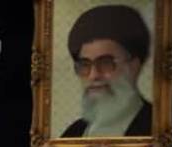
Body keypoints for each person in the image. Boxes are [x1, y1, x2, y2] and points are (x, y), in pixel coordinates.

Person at [61, 5, 152, 138]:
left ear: (134, 65)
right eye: (85, 65)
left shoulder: (159, 128)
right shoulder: (73, 134)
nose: (93, 75)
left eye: (105, 63)